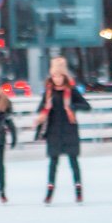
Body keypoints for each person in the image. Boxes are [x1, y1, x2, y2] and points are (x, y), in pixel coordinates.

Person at [36, 57, 90, 203]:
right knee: (53, 162)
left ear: (64, 76)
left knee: (73, 161)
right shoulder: (48, 92)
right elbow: (41, 109)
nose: (57, 79)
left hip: (69, 130)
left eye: (60, 76)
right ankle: (49, 191)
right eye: (54, 76)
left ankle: (78, 189)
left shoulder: (72, 91)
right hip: (54, 131)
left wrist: (73, 107)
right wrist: (41, 117)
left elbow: (86, 106)